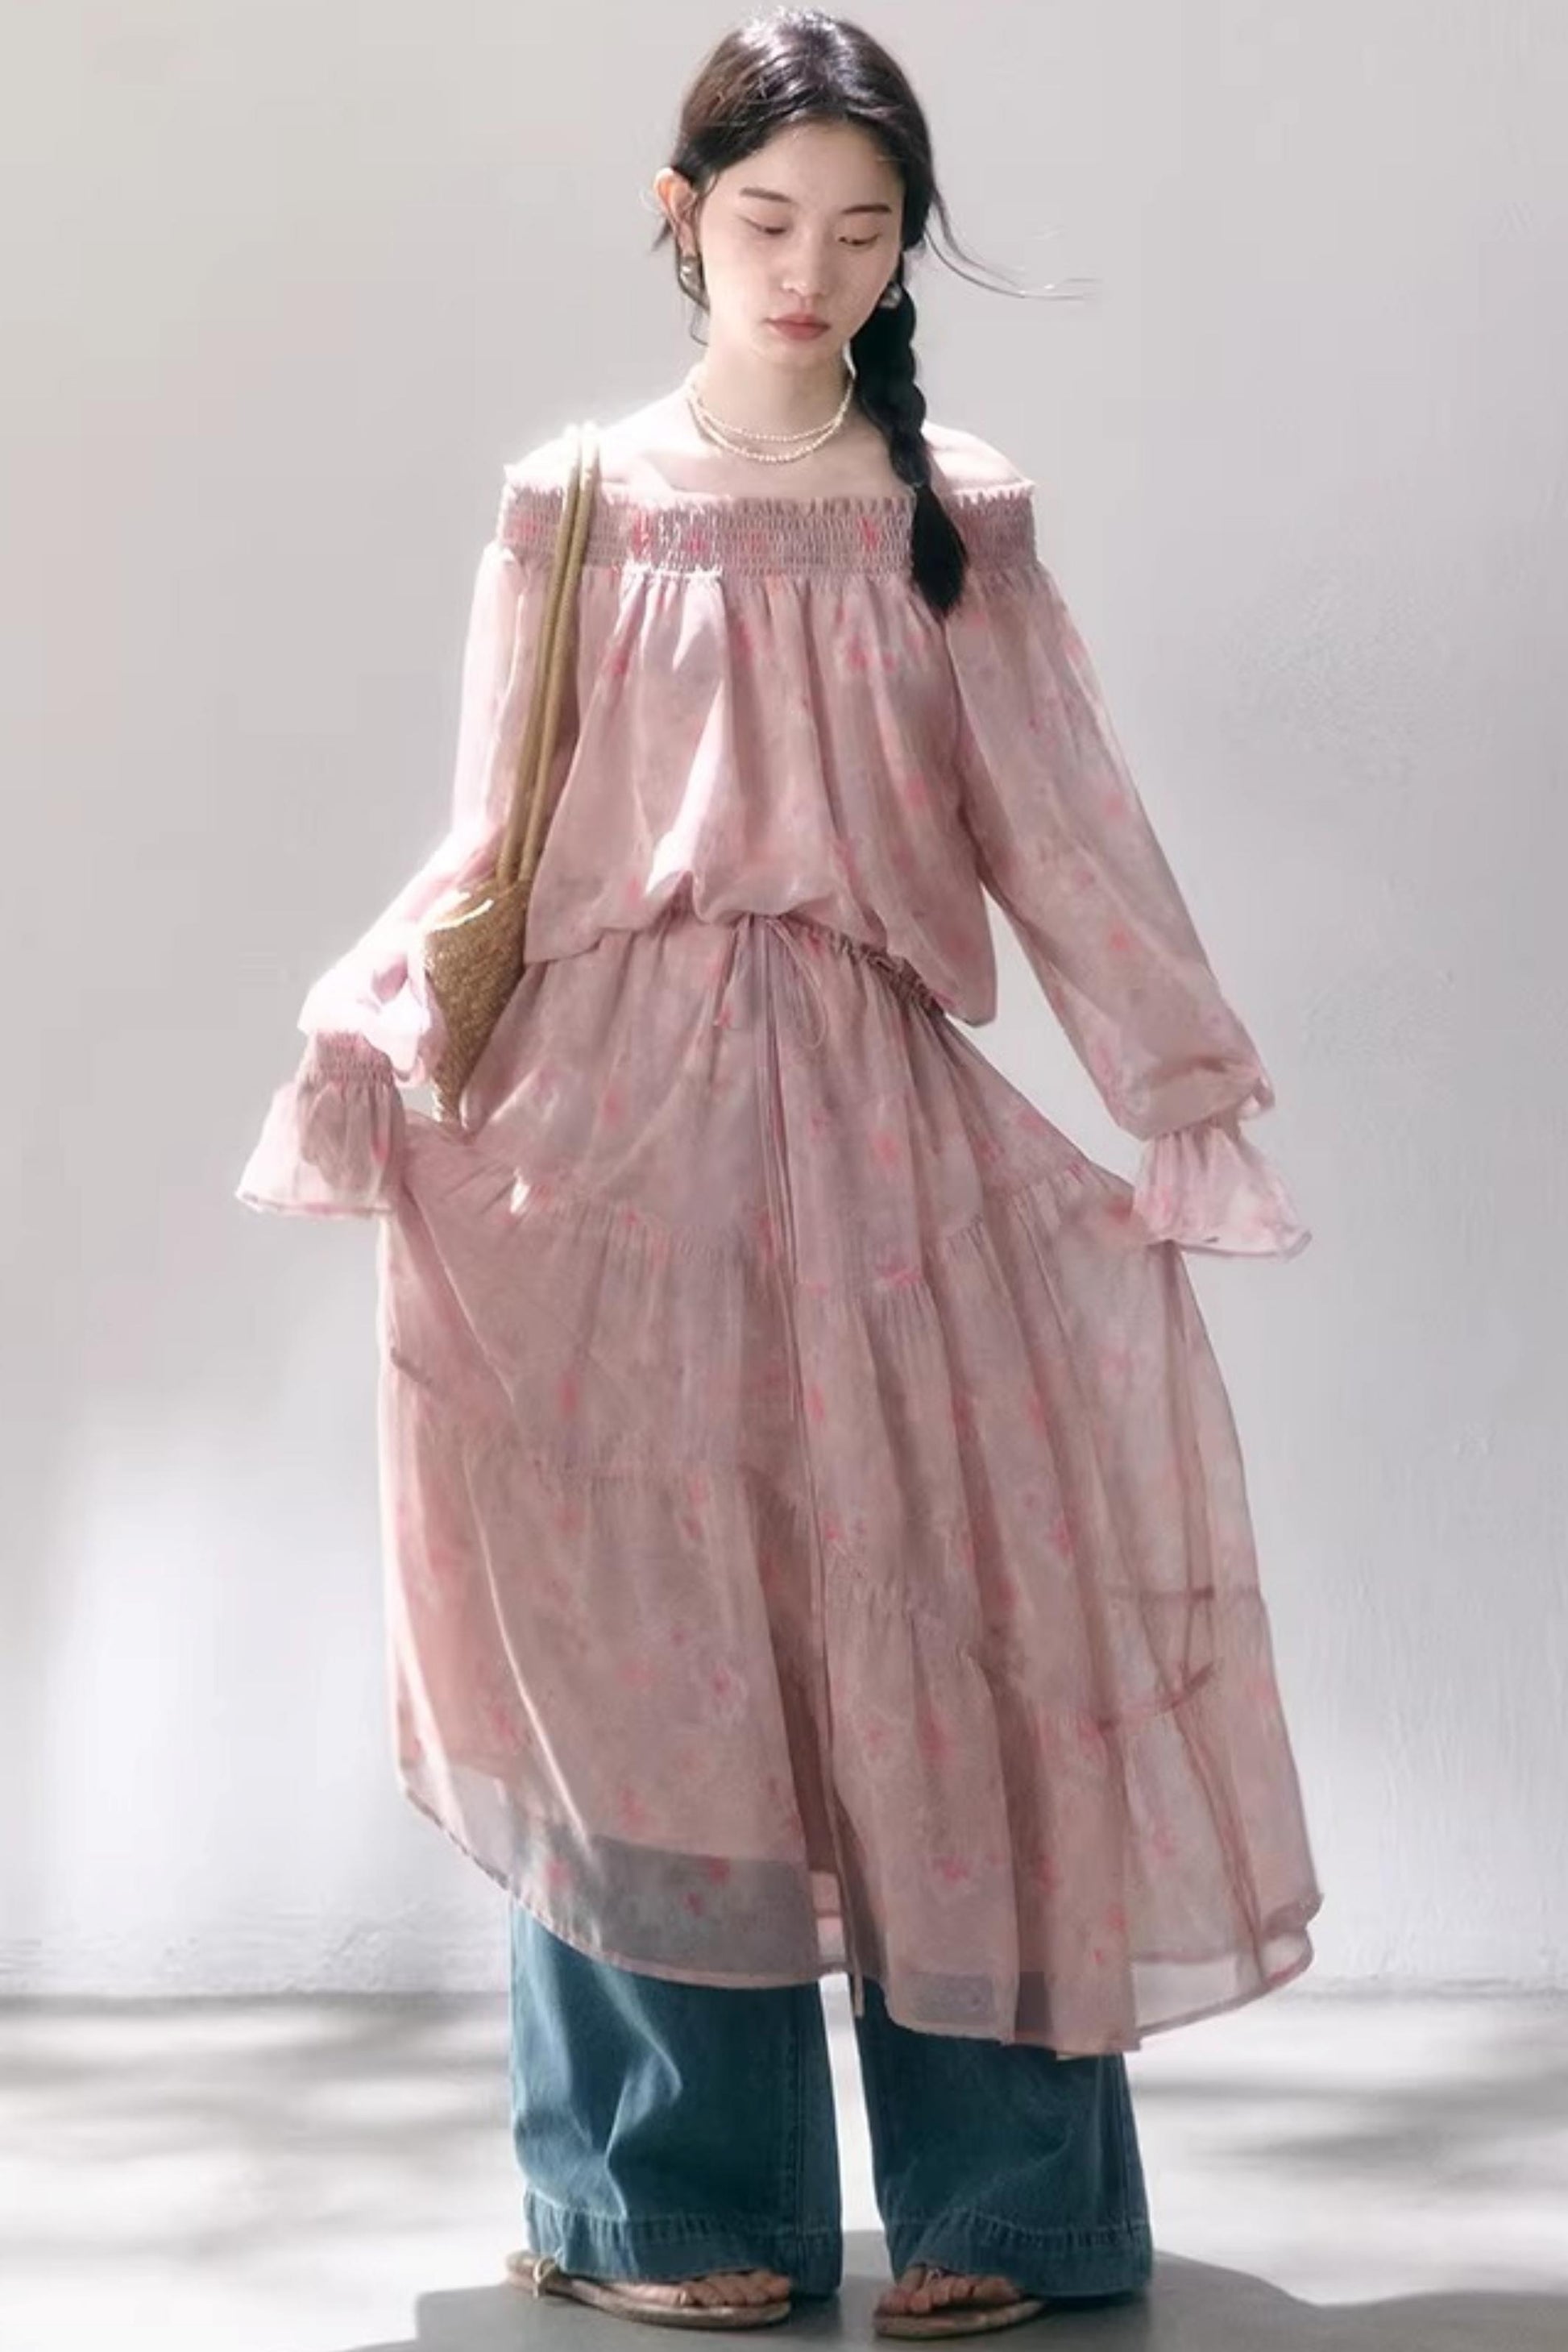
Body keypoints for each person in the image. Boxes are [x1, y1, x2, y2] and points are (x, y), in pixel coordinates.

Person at [236, 8, 1321, 2335]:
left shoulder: (954, 509)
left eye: (860, 229)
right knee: (638, 1662)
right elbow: (500, 830)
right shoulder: (574, 497)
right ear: (679, 217)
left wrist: (1175, 1075)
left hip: (877, 1136)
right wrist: (375, 1023)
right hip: (603, 1145)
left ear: (907, 243)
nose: (811, 271)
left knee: (965, 1640)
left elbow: (1062, 825)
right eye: (764, 223)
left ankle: (1011, 2210)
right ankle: (654, 2208)